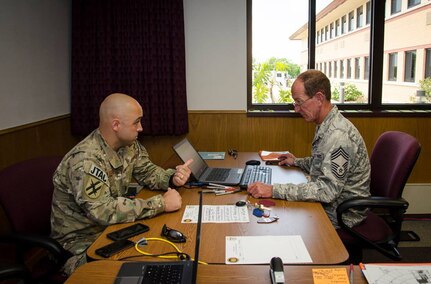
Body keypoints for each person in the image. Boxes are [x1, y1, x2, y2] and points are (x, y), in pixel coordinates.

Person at [50, 93, 193, 275]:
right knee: (146, 267)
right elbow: (102, 211)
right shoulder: (85, 160)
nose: (140, 128)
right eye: (136, 122)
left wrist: (172, 178)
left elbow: (148, 171)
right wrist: (160, 204)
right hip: (82, 245)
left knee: (164, 255)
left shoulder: (128, 145)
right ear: (116, 125)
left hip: (113, 229)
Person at [247, 70, 370, 229]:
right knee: (273, 211)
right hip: (332, 202)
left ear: (319, 98)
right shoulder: (326, 124)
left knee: (280, 220)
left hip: (342, 212)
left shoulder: (339, 136)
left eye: (299, 102)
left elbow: (327, 190)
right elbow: (324, 162)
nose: (297, 109)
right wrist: (296, 161)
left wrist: (273, 190)